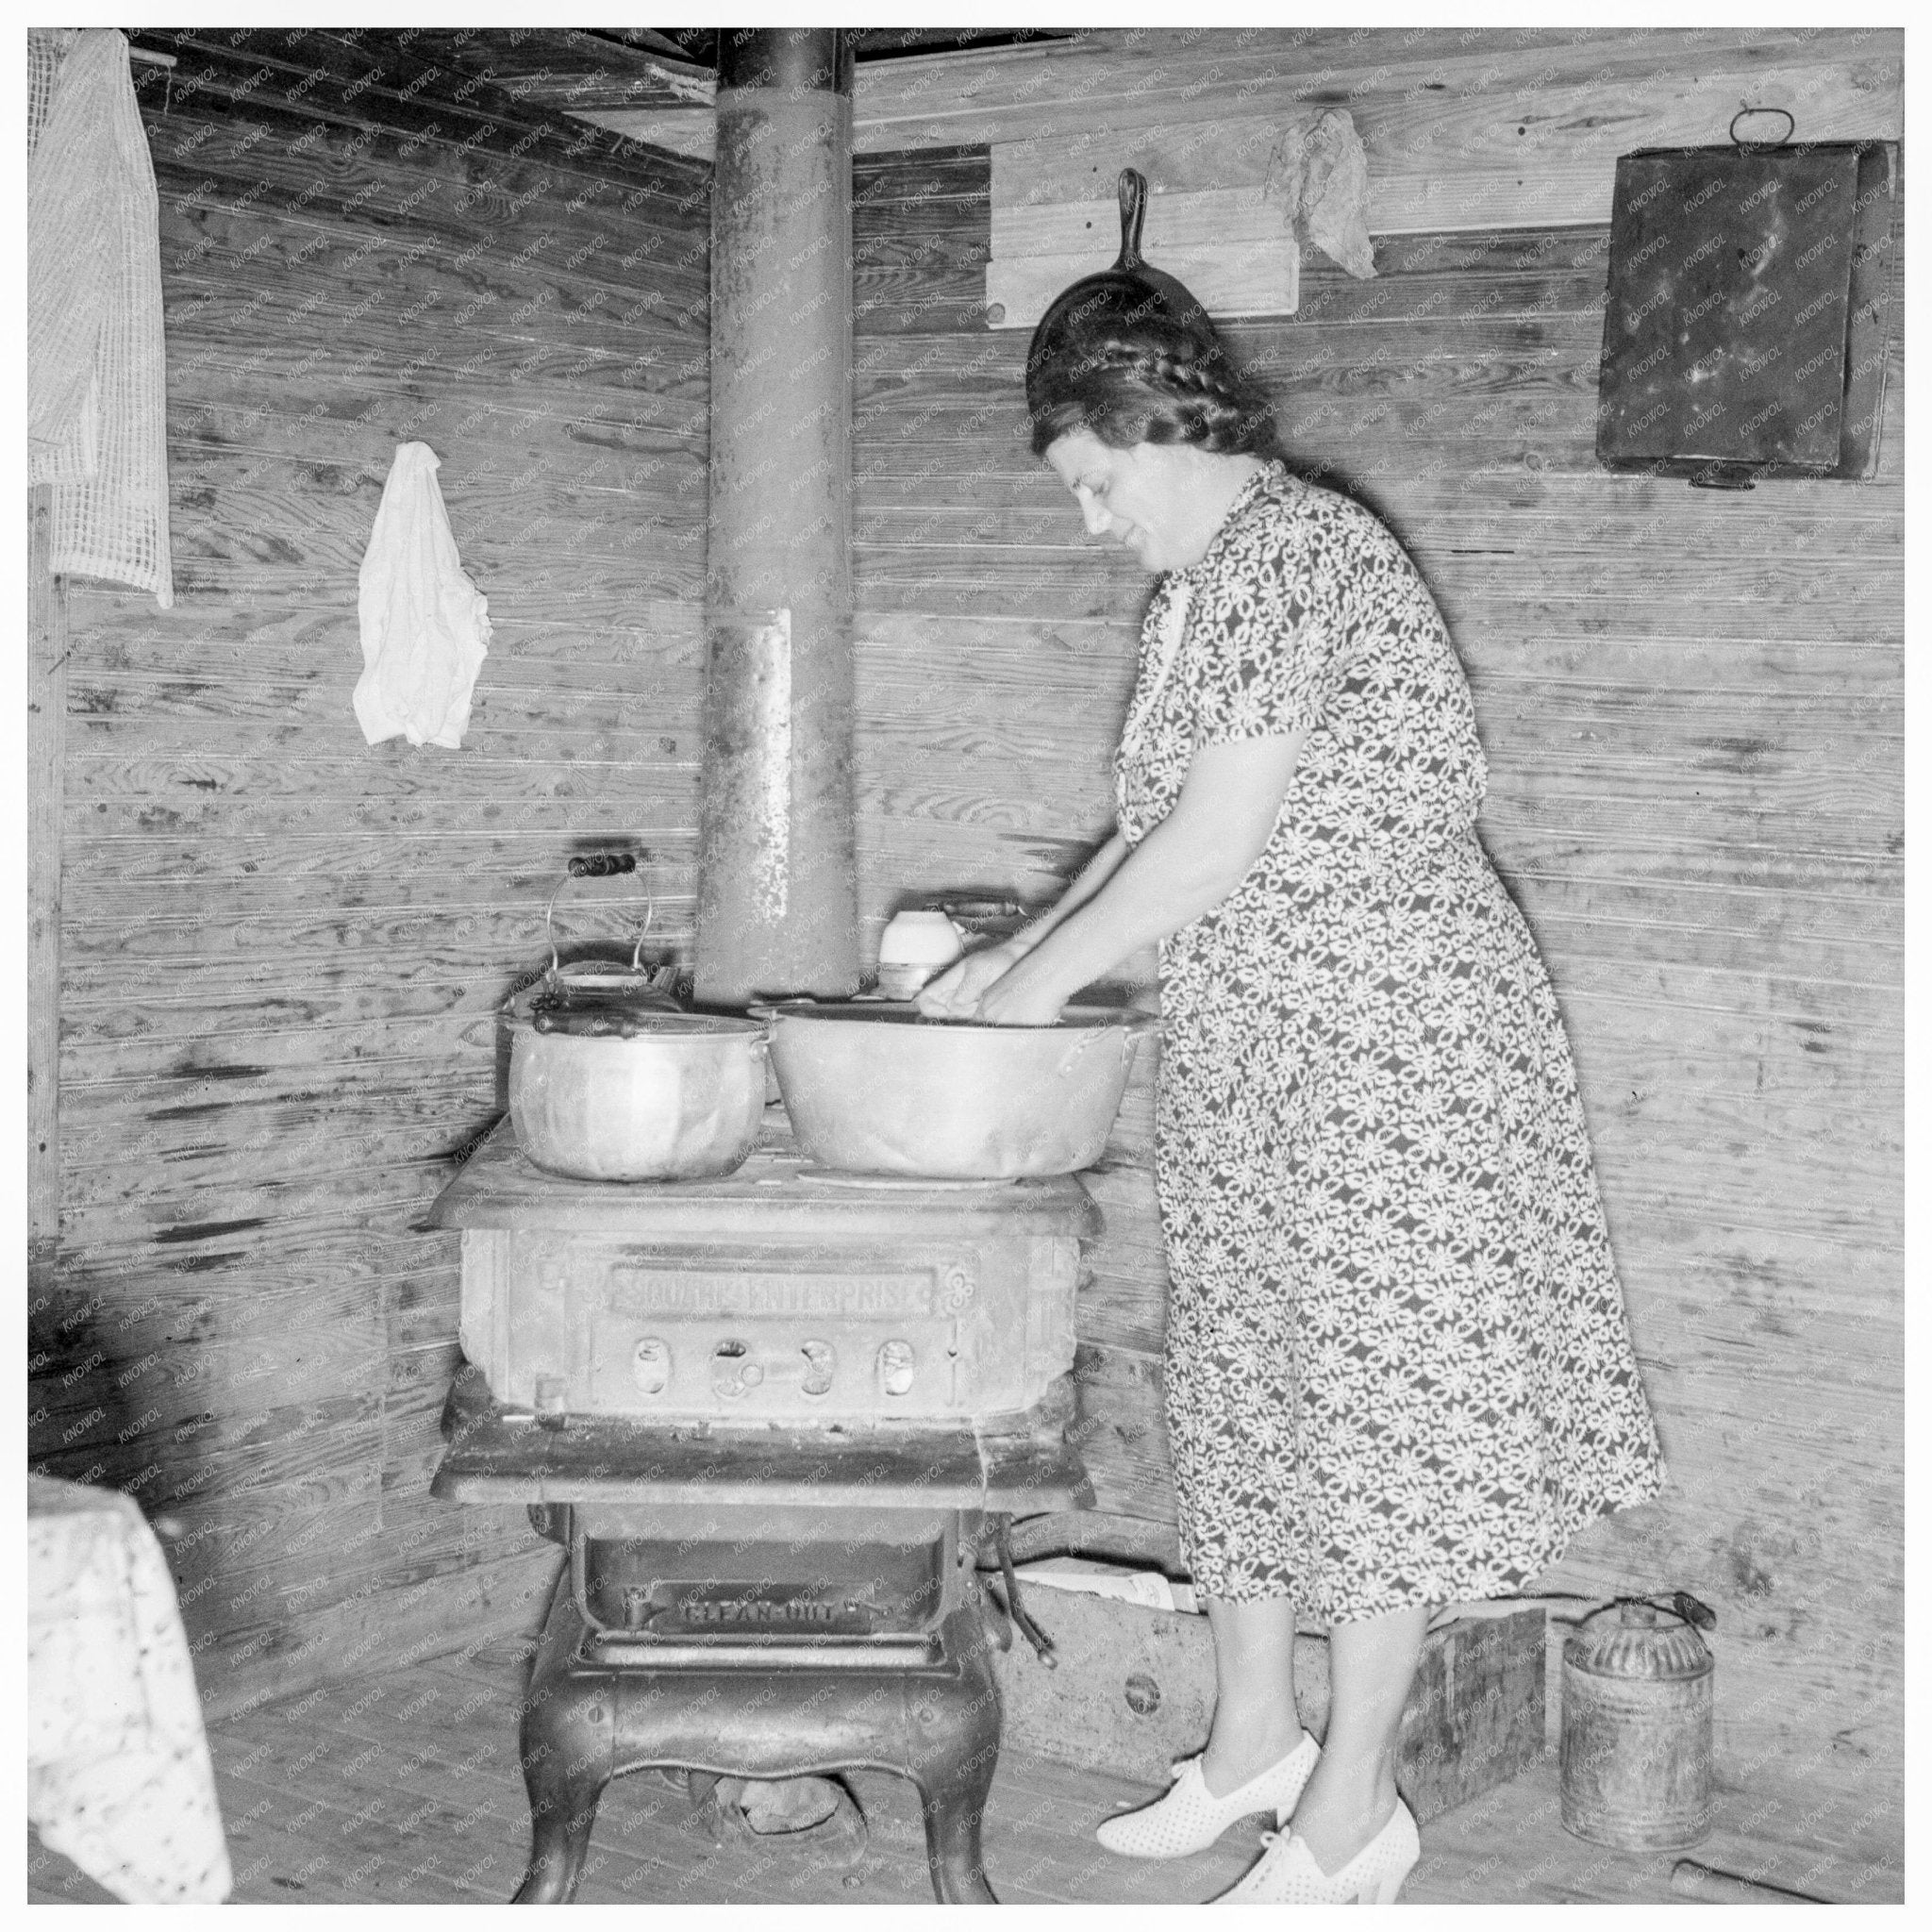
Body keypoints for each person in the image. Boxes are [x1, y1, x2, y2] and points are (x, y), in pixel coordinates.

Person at [916, 280, 1665, 1905]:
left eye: (1092, 481)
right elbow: (1141, 833)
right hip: (1261, 1037)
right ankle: (1251, 1735)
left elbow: (1217, 843)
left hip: (1392, 1032)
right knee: (1250, 1392)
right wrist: (1003, 965)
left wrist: (1032, 996)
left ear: (1149, 427)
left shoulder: (1298, 556)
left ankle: (1352, 1811)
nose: (1093, 518)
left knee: (1374, 1415)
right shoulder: (1204, 590)